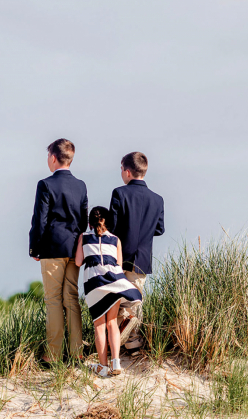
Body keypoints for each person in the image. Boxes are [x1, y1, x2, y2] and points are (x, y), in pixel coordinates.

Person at [29, 138, 88, 363]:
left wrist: (35, 247)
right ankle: (77, 352)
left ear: (53, 158)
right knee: (71, 299)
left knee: (53, 300)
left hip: (52, 248)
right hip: (75, 249)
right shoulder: (81, 185)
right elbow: (83, 221)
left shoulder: (45, 184)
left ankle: (53, 355)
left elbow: (40, 220)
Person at [76, 206, 143, 377]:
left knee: (99, 326)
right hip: (113, 282)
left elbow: (78, 262)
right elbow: (119, 265)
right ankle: (116, 363)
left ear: (90, 222)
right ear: (107, 221)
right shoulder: (115, 240)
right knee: (112, 322)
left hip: (94, 285)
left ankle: (103, 366)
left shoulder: (83, 237)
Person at [109, 152, 165, 354]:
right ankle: (133, 342)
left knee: (115, 299)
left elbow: (112, 227)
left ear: (127, 170)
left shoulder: (119, 193)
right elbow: (159, 229)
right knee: (136, 299)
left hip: (120, 256)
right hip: (142, 258)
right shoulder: (157, 199)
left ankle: (113, 343)